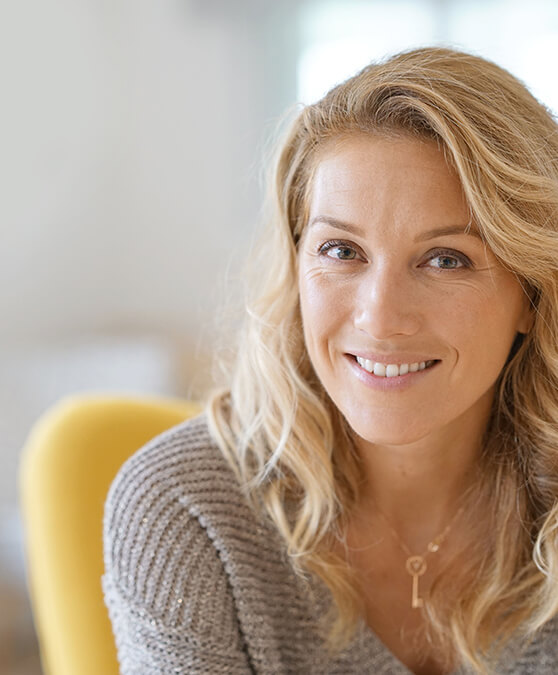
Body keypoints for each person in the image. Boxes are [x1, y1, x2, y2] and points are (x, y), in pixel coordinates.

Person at [102, 47, 558, 675]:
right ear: (297, 268)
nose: (378, 316)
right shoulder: (186, 512)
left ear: (533, 293)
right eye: (341, 250)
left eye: (446, 258)